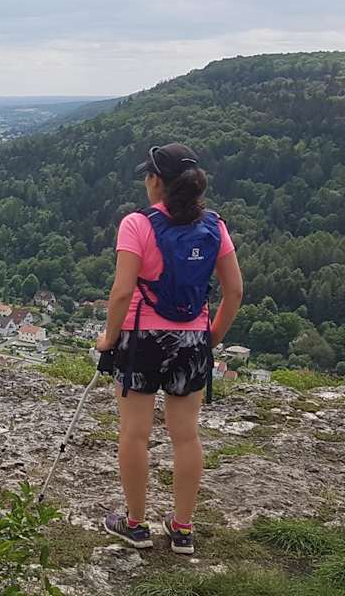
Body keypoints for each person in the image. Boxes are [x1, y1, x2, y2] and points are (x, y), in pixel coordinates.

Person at [94, 143, 243, 555]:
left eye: (148, 175)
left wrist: (109, 338)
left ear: (156, 181)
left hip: (141, 339)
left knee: (134, 433)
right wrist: (211, 337)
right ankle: (182, 530)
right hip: (192, 339)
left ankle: (136, 525)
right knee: (186, 436)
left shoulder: (136, 224)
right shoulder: (214, 226)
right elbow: (234, 291)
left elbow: (122, 292)